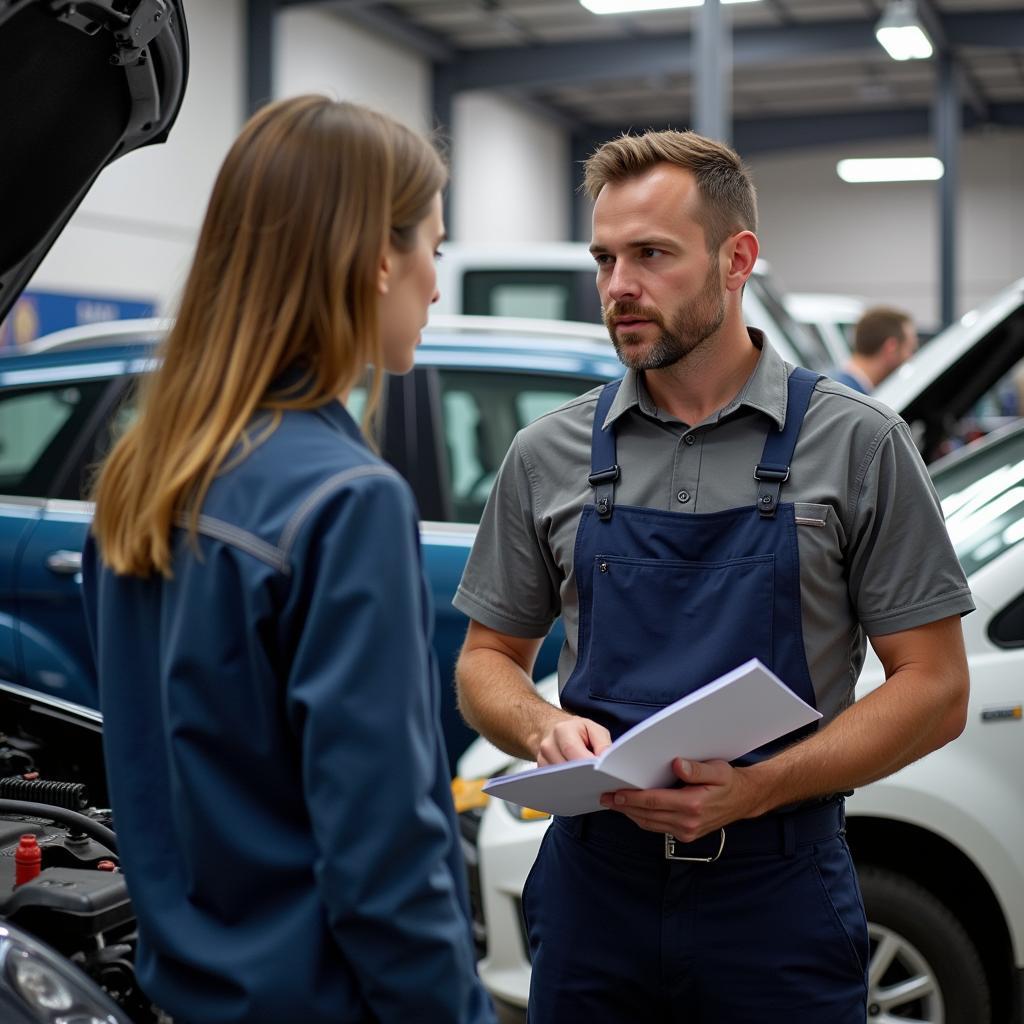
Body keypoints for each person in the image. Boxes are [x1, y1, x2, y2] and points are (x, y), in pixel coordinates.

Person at [454, 129, 972, 1024]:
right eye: (605, 258)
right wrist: (542, 725)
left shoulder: (859, 445)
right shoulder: (549, 454)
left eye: (651, 254)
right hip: (596, 893)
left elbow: (937, 687)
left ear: (737, 260)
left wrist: (761, 787)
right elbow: (484, 659)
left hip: (778, 898)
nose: (619, 286)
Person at [82, 96, 495, 1024]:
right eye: (432, 246)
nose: (436, 283)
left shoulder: (137, 484)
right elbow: (382, 857)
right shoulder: (348, 502)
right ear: (376, 255)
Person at [832, 305, 918, 394]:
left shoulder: (838, 388)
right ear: (891, 347)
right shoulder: (850, 397)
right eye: (910, 349)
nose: (911, 359)